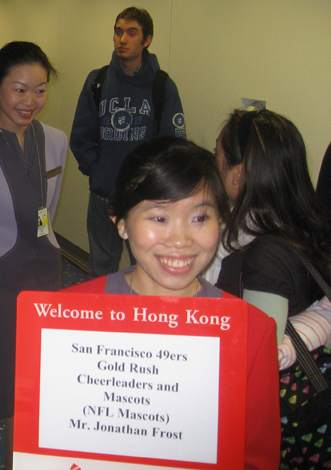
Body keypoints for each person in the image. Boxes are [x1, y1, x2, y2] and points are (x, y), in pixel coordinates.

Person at [65, 136, 280, 469]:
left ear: (220, 220)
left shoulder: (252, 331)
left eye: (199, 218)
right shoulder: (67, 319)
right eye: (160, 218)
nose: (181, 241)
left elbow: (255, 458)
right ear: (120, 222)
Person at [0, 41, 66, 470]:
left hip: (45, 273)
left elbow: (49, 210)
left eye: (39, 90)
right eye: (19, 89)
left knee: (34, 383)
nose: (30, 101)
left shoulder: (57, 141)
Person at [70, 7, 186, 276]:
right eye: (118, 32)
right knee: (101, 270)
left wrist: (151, 186)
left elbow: (173, 148)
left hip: (145, 201)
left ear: (147, 40)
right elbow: (80, 136)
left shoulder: (162, 86)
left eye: (131, 33)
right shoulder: (97, 81)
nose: (122, 39)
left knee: (147, 271)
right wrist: (98, 171)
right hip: (102, 197)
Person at [215, 110, 331, 342]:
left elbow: (260, 355)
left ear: (237, 175)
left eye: (215, 153)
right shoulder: (307, 224)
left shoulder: (264, 256)